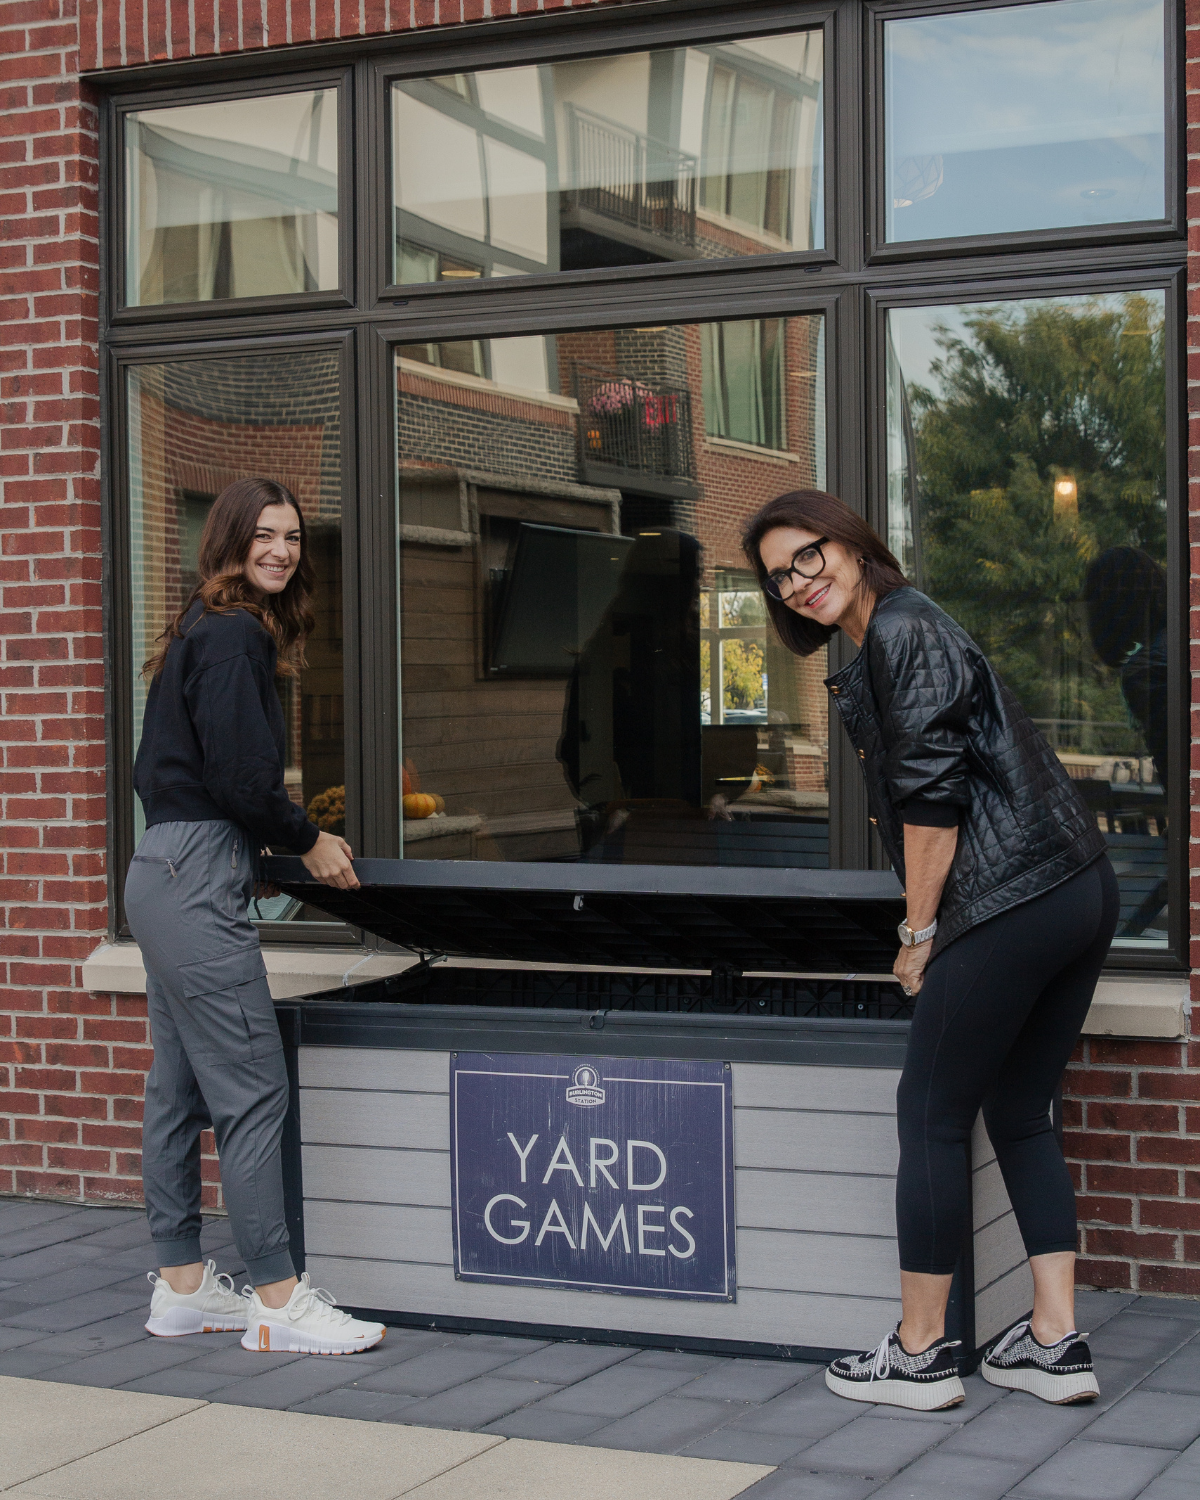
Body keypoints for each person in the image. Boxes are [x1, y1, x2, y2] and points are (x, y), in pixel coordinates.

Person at [742, 490, 1118, 1411]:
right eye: (778, 574)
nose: (797, 582)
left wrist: (917, 936)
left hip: (1008, 899)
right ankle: (1053, 1340)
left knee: (929, 1114)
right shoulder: (902, 632)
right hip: (1076, 886)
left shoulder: (903, 631)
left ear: (854, 544)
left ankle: (919, 1355)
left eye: (809, 555)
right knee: (1021, 1109)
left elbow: (932, 805)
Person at [127, 477, 385, 1356]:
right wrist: (307, 839)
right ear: (231, 540)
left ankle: (183, 1287)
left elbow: (154, 772)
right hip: (196, 876)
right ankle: (277, 1300)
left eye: (294, 537)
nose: (282, 550)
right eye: (265, 535)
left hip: (156, 871)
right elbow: (243, 781)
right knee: (251, 1089)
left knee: (178, 1084)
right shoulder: (236, 636)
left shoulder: (199, 626)